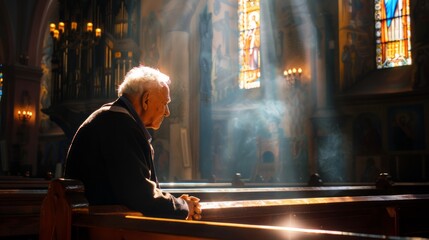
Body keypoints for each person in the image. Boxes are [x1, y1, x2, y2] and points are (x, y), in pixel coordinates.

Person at [64, 66, 201, 220]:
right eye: (164, 103)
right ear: (146, 100)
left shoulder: (112, 119)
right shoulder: (119, 125)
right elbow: (140, 197)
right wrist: (183, 207)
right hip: (100, 229)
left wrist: (175, 203)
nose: (167, 112)